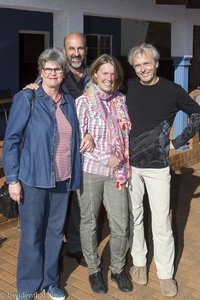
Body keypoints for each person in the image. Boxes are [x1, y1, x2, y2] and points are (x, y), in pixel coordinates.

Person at [2, 48, 82, 300]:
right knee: (32, 234)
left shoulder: (68, 100)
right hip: (33, 179)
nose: (52, 73)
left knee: (54, 233)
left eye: (57, 69)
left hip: (62, 178)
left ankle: (50, 282)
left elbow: (76, 133)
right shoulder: (27, 98)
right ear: (40, 72)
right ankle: (27, 285)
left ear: (63, 72)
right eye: (47, 69)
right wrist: (12, 179)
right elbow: (12, 140)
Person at [125, 43, 200, 298]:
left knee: (161, 222)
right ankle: (139, 263)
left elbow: (197, 114)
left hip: (158, 168)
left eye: (146, 63)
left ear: (156, 63)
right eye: (138, 65)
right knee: (134, 218)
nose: (143, 69)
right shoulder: (128, 87)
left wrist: (178, 141)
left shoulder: (172, 90)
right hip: (130, 166)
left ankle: (166, 274)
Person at [76, 54, 133, 294]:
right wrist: (104, 157)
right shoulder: (84, 102)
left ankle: (118, 269)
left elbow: (125, 134)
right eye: (104, 73)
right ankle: (93, 269)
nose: (108, 77)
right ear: (95, 74)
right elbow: (80, 141)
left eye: (112, 73)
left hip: (117, 172)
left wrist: (119, 158)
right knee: (90, 222)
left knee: (121, 225)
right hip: (91, 171)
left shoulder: (121, 100)